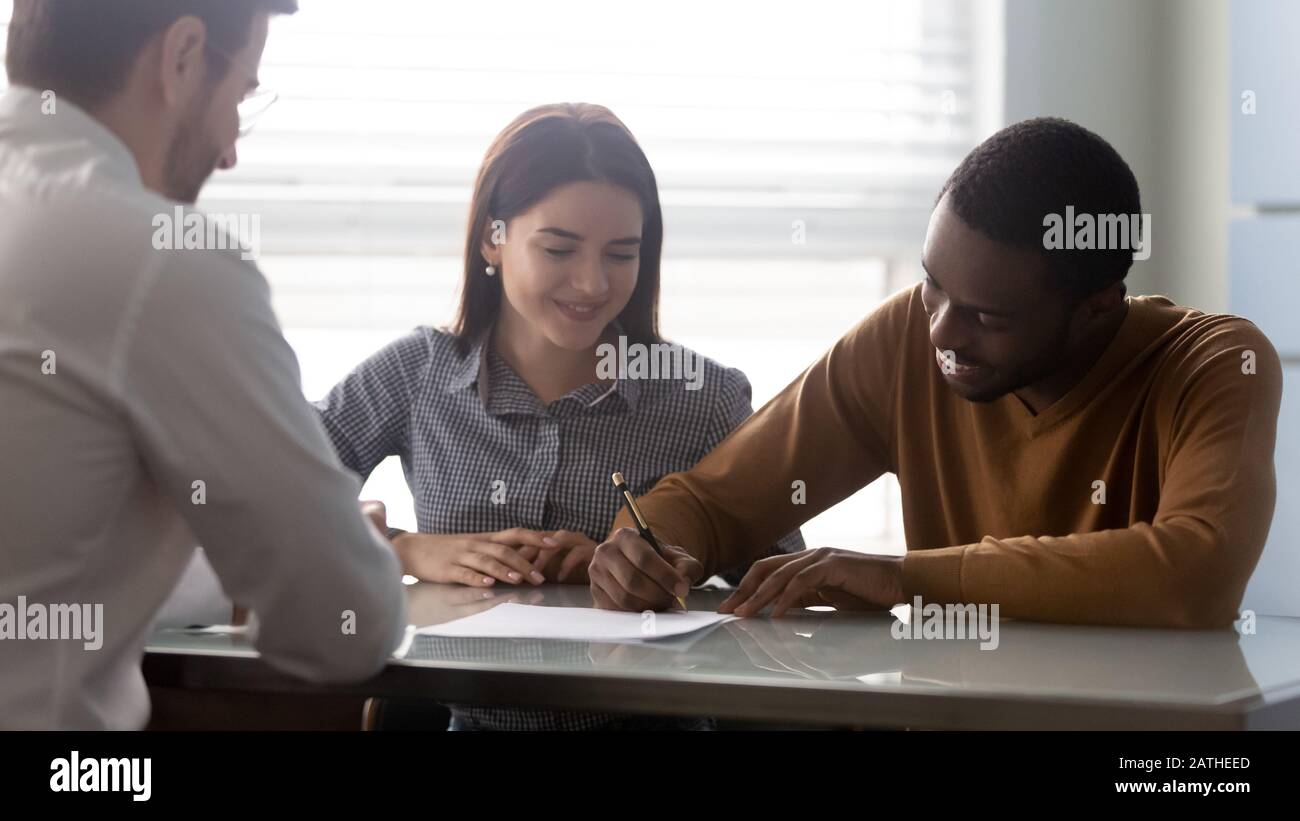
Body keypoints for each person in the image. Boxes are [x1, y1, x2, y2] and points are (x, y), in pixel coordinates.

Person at [589, 117, 1282, 630]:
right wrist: (647, 550)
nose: (943, 331)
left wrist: (904, 579)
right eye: (933, 284)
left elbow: (1196, 574)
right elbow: (715, 502)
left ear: (1096, 310)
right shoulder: (906, 338)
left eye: (988, 316)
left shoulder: (1214, 363)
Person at [316, 102, 803, 730]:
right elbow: (273, 501)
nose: (592, 284)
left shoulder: (702, 397)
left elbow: (783, 595)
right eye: (559, 249)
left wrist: (657, 575)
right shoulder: (417, 374)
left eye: (621, 254)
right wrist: (404, 550)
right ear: (494, 237)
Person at [0, 0, 406, 730]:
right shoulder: (158, 258)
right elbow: (344, 622)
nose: (229, 153)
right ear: (183, 55)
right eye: (242, 95)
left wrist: (228, 571)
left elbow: (51, 555)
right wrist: (352, 549)